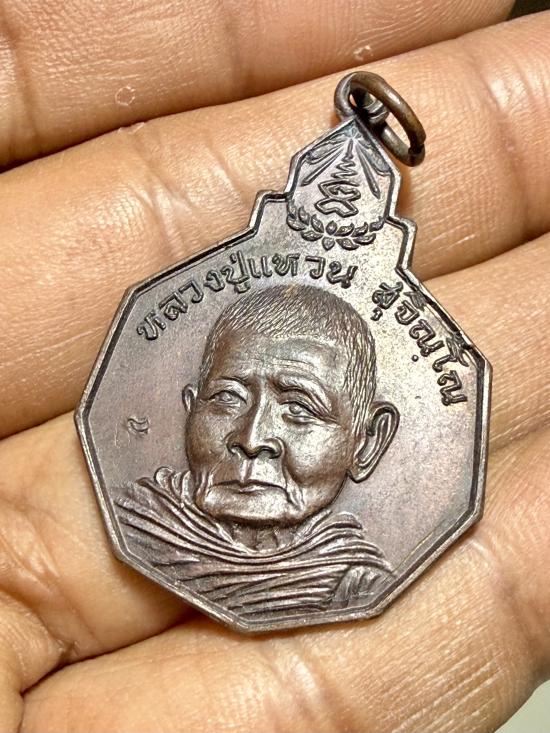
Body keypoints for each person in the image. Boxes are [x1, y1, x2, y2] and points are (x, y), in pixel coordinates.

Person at [116, 284, 399, 621]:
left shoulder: (361, 587)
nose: (251, 440)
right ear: (191, 410)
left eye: (298, 408)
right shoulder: (131, 525)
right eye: (227, 397)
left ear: (366, 441)